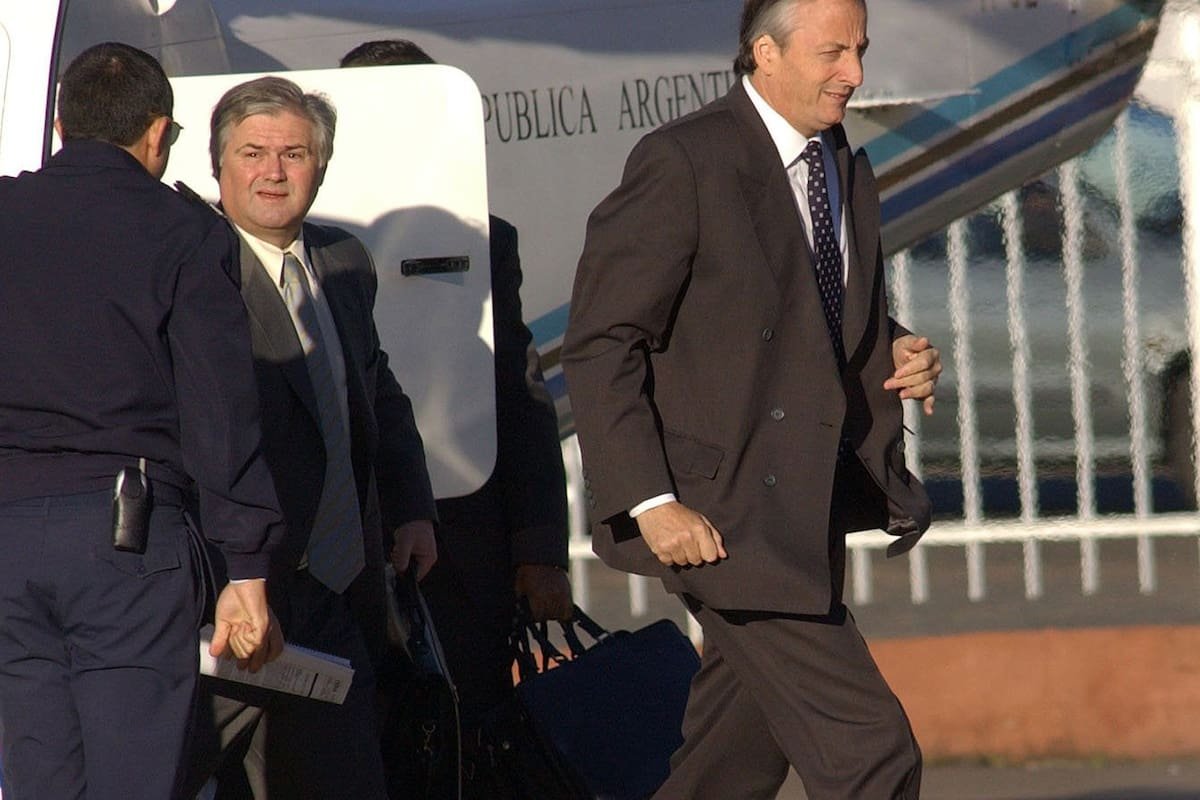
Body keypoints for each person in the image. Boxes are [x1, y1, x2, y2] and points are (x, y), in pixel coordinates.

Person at [561, 1, 942, 797]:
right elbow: (602, 341)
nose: (855, 74)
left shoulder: (839, 159)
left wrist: (892, 345)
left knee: (731, 763)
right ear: (766, 53)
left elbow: (809, 311)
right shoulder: (685, 161)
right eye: (833, 52)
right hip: (727, 521)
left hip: (808, 504)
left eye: (861, 50)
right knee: (872, 754)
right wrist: (650, 502)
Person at [0, 42, 285, 800]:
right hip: (123, 537)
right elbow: (221, 410)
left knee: (37, 776)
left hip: (8, 538)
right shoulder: (183, 231)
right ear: (158, 134)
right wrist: (247, 566)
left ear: (60, 126)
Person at [184, 75, 439, 800]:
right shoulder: (192, 267)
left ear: (320, 167)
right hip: (229, 592)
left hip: (337, 589)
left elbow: (376, 391)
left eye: (293, 154)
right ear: (218, 165)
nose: (273, 172)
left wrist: (411, 505)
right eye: (252, 153)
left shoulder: (343, 261)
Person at [341, 39, 574, 798]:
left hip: (464, 545)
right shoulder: (296, 241)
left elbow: (520, 398)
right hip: (337, 548)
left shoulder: (483, 241)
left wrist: (539, 549)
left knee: (471, 742)